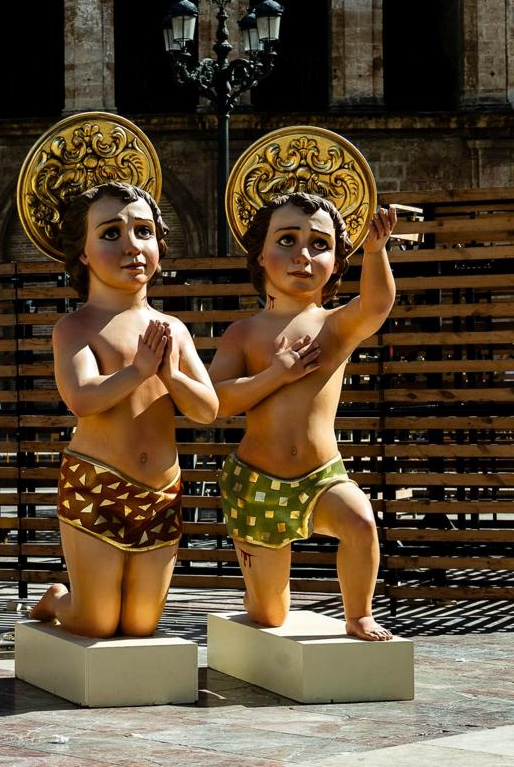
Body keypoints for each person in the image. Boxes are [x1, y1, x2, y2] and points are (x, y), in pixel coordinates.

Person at [28, 182, 218, 637]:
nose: (132, 246)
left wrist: (169, 375)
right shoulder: (75, 328)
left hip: (160, 492)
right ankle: (58, 598)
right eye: (111, 233)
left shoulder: (171, 328)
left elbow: (208, 409)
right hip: (97, 486)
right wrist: (138, 371)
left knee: (139, 625)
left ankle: (78, 598)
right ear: (84, 253)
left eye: (144, 231)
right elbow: (82, 397)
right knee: (95, 622)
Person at [208, 192, 397, 641]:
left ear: (336, 260)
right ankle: (257, 594)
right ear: (260, 254)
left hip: (322, 477)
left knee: (361, 521)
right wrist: (277, 373)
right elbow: (217, 402)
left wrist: (375, 252)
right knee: (270, 615)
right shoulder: (244, 333)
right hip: (256, 483)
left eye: (319, 244)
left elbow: (376, 306)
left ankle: (359, 614)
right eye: (288, 240)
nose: (303, 256)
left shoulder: (335, 325)